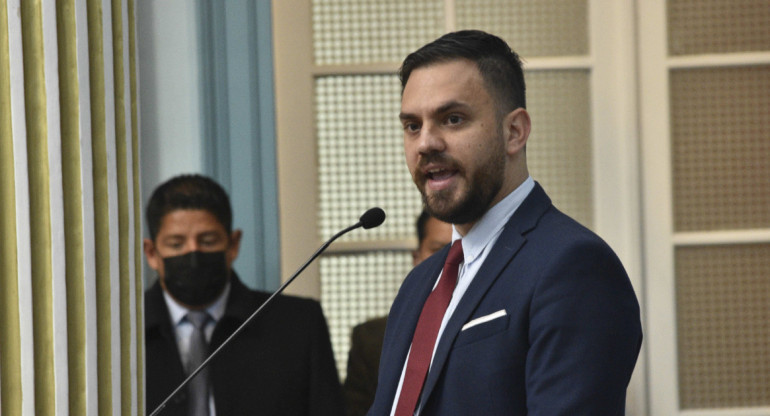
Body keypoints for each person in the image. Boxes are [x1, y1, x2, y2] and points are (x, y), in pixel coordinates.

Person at [368, 30, 643, 415]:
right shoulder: (418, 285)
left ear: (514, 131)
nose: (425, 143)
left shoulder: (573, 265)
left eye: (453, 118)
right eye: (412, 125)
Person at [143, 174, 344, 416]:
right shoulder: (122, 332)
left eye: (207, 241)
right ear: (152, 253)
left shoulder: (298, 324)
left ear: (233, 244)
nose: (193, 253)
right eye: (176, 244)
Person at [344, 210, 452, 416]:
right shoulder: (371, 339)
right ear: (417, 257)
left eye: (460, 249)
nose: (450, 259)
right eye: (438, 250)